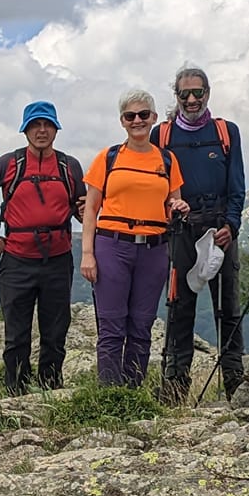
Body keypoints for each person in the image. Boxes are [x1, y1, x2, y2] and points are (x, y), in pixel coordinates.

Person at [0, 101, 87, 394]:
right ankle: (16, 394)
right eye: (36, 125)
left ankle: (51, 389)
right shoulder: (9, 163)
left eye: (47, 125)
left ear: (56, 129)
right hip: (17, 261)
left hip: (58, 260)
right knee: (16, 335)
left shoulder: (69, 166)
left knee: (55, 333)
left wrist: (87, 213)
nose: (42, 130)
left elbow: (81, 207)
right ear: (25, 130)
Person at [80, 89, 189, 387]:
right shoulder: (109, 157)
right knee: (112, 326)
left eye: (144, 115)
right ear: (122, 122)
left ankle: (132, 393)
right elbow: (91, 208)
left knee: (142, 326)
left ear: (154, 118)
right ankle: (109, 397)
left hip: (154, 249)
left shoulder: (167, 160)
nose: (137, 120)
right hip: (112, 245)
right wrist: (87, 253)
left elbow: (172, 204)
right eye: (131, 116)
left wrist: (178, 207)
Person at [152, 66, 247, 403]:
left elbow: (237, 186)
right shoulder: (160, 136)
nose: (192, 100)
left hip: (219, 227)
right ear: (176, 96)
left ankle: (236, 387)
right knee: (179, 308)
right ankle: (176, 389)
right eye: (184, 94)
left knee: (228, 308)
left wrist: (231, 226)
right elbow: (155, 186)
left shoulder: (226, 132)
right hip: (180, 230)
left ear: (209, 93)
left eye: (198, 93)